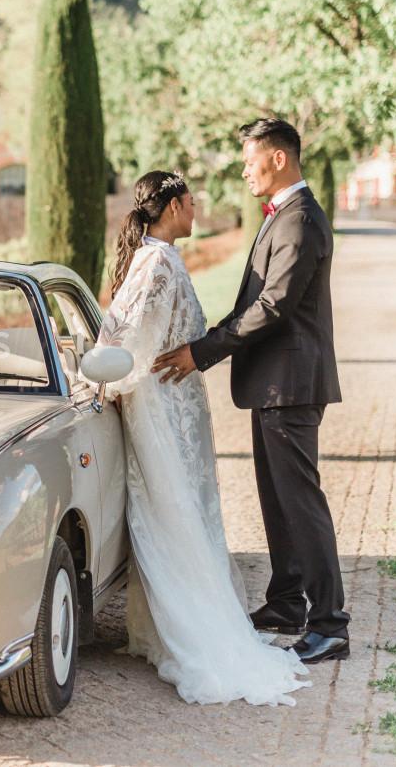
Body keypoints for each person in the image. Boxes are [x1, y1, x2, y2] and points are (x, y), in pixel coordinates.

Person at [96, 169, 310, 706]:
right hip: (161, 410)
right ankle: (188, 628)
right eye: (191, 202)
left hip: (175, 405)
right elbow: (134, 340)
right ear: (171, 207)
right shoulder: (159, 263)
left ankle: (183, 622)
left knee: (184, 511)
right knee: (174, 514)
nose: (196, 210)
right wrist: (104, 383)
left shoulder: (160, 258)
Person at [152, 118, 350, 665]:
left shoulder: (300, 220)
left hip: (290, 384)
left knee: (301, 502)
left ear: (279, 159)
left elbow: (272, 307)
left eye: (250, 159)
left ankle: (330, 623)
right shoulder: (282, 217)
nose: (244, 169)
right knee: (277, 498)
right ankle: (287, 603)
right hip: (273, 383)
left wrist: (203, 350)